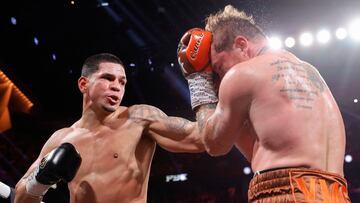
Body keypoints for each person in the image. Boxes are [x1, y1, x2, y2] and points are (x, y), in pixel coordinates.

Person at [177, 5, 351, 202]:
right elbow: (263, 146)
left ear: (241, 45)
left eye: (218, 68)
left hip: (286, 192)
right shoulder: (312, 73)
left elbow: (214, 143)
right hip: (337, 194)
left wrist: (199, 82)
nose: (220, 77)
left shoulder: (242, 74)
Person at [14, 53, 205, 203]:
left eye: (122, 82)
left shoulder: (139, 118)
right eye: (108, 78)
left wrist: (201, 80)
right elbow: (20, 199)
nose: (117, 87)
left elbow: (201, 137)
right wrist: (40, 180)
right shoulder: (61, 139)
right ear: (83, 84)